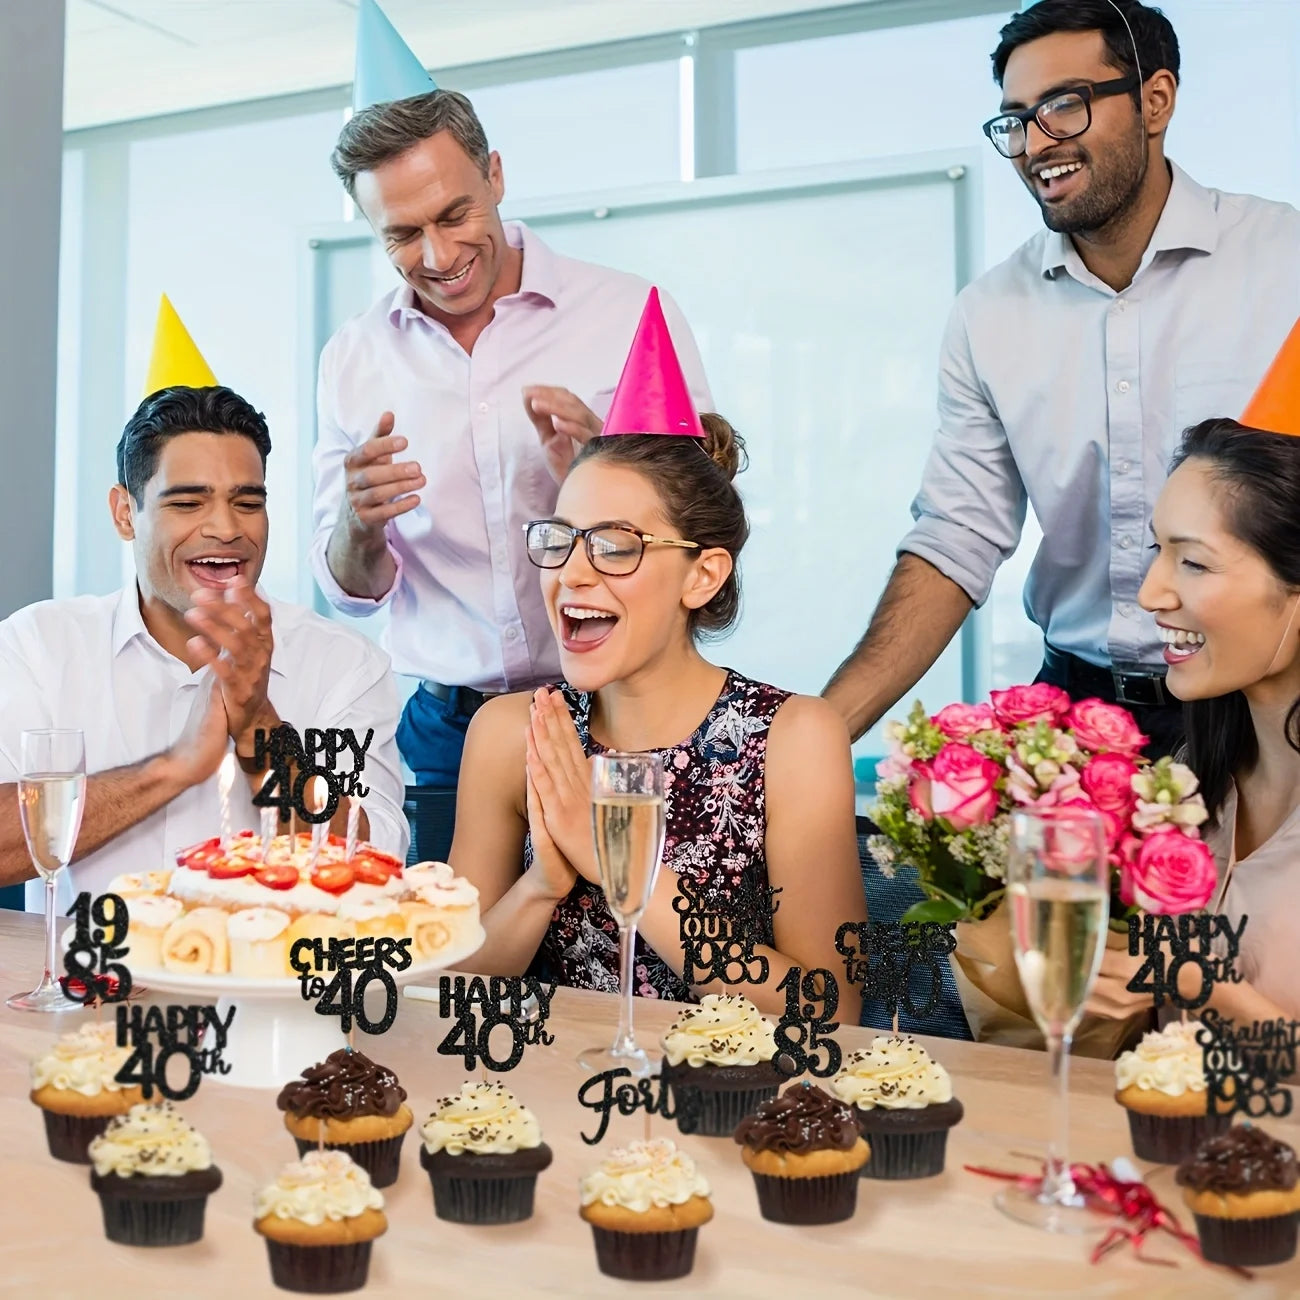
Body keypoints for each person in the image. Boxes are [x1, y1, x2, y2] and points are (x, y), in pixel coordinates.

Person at [824, 0, 1300, 760]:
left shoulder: (1286, 264)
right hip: (1077, 718)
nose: (1037, 143)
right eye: (1016, 120)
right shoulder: (988, 314)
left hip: (1267, 711)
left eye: (1065, 107)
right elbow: (959, 532)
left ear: (1155, 101)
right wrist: (820, 731)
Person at [447, 317, 865, 1015]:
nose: (572, 573)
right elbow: (449, 993)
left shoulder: (796, 738)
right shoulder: (508, 732)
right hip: (546, 1098)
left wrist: (611, 850)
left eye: (614, 545)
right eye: (561, 540)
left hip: (736, 1103)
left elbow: (827, 1007)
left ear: (701, 576)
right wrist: (541, 885)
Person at [312, 88, 711, 789]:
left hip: (622, 712)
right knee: (443, 903)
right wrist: (358, 522)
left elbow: (708, 528)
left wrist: (607, 471)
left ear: (495, 175)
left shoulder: (627, 314)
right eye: (402, 235)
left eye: (454, 213)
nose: (437, 254)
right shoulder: (353, 357)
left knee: (625, 898)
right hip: (445, 735)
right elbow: (352, 589)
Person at [0, 386, 408, 906]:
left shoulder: (345, 664)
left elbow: (369, 863)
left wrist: (258, 722)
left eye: (248, 502)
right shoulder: (37, 645)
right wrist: (173, 768)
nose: (226, 528)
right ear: (125, 513)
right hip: (85, 980)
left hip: (272, 980)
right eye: (188, 502)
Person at [1088, 417, 1300, 1023]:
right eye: (1160, 550)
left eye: (1195, 564)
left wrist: (1201, 987)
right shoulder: (1189, 779)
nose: (1151, 593)